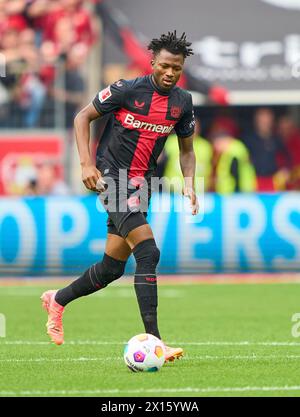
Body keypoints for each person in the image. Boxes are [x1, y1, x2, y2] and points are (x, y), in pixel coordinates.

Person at [41, 31, 199, 362]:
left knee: (112, 268)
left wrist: (189, 182)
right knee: (148, 251)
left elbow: (187, 149)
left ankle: (57, 299)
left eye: (177, 69)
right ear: (153, 62)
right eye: (166, 66)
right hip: (113, 180)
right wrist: (86, 163)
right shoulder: (127, 90)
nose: (170, 73)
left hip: (144, 186)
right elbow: (81, 117)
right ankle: (156, 341)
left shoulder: (182, 102)